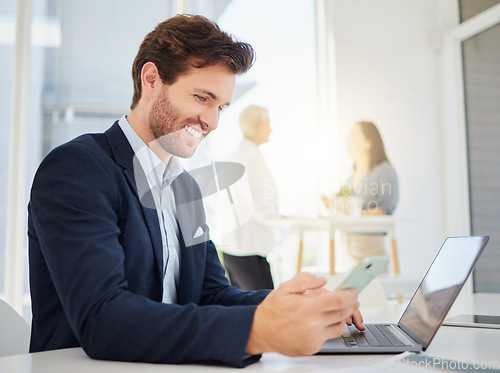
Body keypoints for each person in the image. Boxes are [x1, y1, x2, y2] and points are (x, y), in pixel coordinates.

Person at [28, 14, 364, 367]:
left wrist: (291, 307)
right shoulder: (77, 170)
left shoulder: (185, 187)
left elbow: (210, 293)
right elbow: (102, 319)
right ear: (152, 79)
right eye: (202, 97)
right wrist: (257, 329)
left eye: (220, 107)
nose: (213, 121)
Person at [324, 121, 399, 268]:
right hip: (348, 251)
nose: (348, 142)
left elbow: (383, 210)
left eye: (353, 137)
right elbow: (348, 210)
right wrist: (334, 205)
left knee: (374, 289)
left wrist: (353, 215)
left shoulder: (384, 171)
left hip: (371, 250)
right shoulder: (350, 178)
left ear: (368, 143)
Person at [222, 105, 278, 291]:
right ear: (258, 124)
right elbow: (261, 205)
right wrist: (280, 219)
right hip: (249, 249)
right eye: (268, 123)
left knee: (242, 309)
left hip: (232, 249)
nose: (271, 128)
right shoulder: (253, 158)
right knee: (266, 307)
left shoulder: (234, 156)